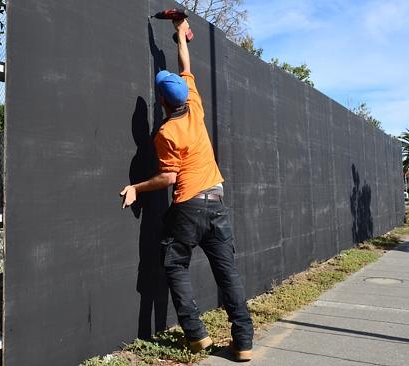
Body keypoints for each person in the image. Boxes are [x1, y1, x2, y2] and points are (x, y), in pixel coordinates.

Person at [119, 19, 254, 362]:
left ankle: (197, 337)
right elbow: (186, 66)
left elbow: (168, 178)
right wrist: (180, 35)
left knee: (175, 265)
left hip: (190, 206)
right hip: (217, 202)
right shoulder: (194, 105)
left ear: (162, 103)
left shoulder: (165, 134)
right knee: (227, 272)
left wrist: (136, 187)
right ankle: (244, 343)